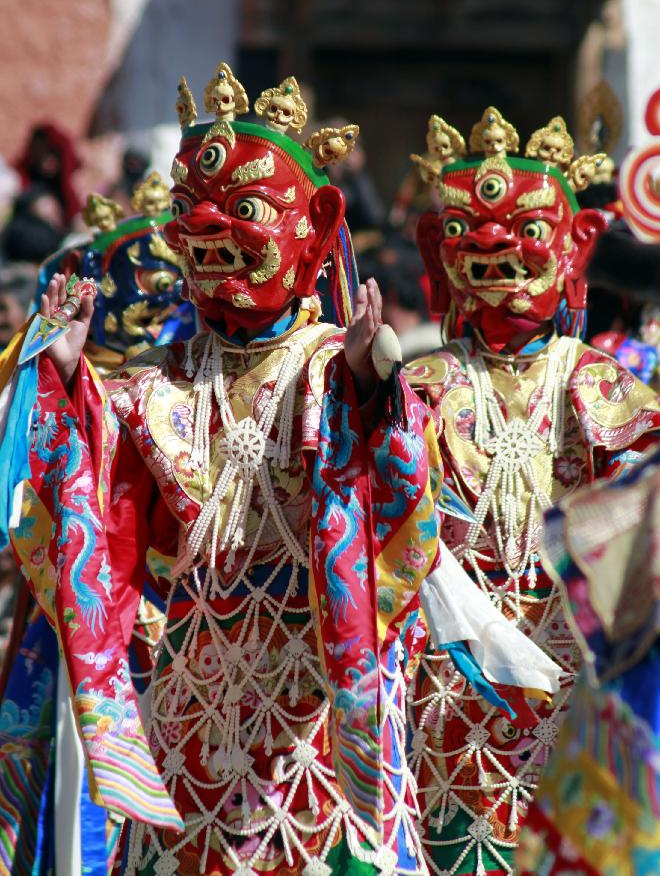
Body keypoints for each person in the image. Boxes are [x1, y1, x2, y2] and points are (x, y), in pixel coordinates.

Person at [0, 66, 446, 875]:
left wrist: (367, 394)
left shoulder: (326, 368)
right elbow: (102, 508)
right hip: (191, 707)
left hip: (312, 701)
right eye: (190, 218)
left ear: (315, 226)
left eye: (243, 212)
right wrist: (67, 378)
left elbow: (396, 497)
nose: (208, 237)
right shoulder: (161, 382)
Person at [403, 106, 660, 875]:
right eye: (469, 233)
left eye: (524, 231)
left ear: (577, 246)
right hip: (449, 688)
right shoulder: (415, 388)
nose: (492, 247)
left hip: (574, 681)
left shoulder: (605, 388)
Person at [0, 177, 195, 875]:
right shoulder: (94, 388)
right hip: (86, 617)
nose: (161, 304)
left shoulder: (206, 384)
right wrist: (61, 372)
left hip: (193, 631)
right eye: (140, 284)